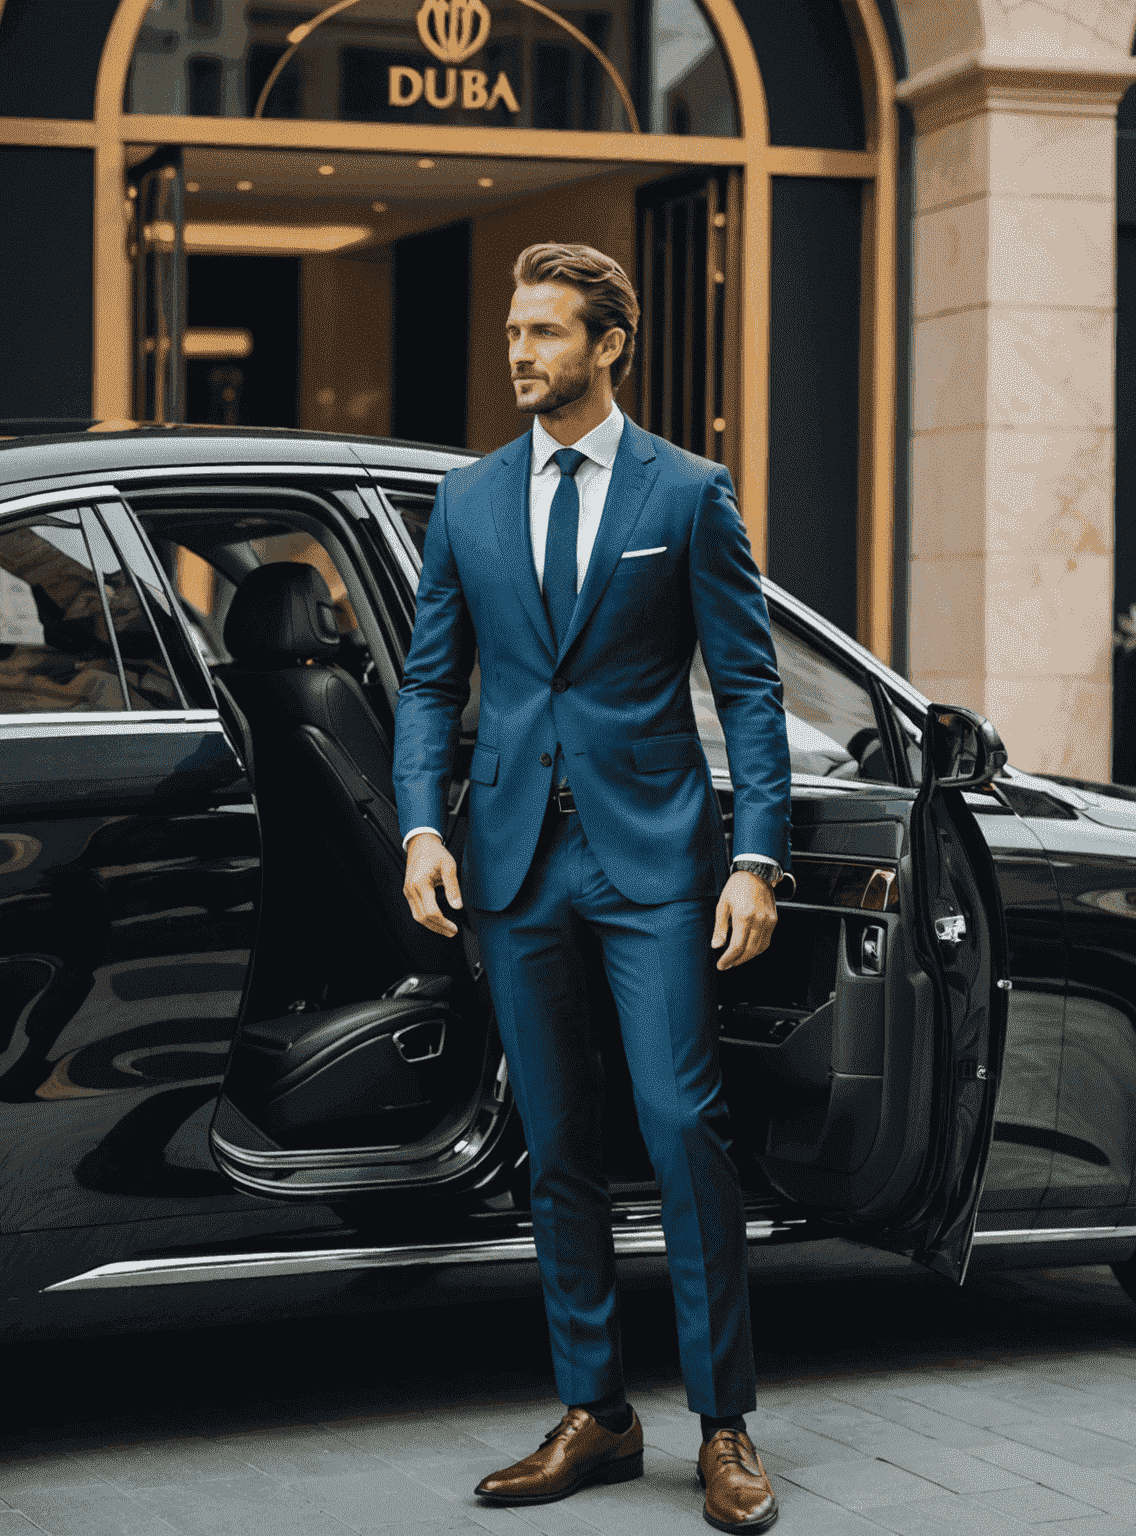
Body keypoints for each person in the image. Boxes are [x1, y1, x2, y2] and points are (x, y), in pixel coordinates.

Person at [393, 242, 791, 1533]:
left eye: (547, 333)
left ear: (609, 344)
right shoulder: (467, 502)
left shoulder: (686, 493)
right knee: (556, 1142)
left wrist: (754, 854)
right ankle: (595, 1414)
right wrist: (419, 829)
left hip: (654, 861)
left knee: (681, 1127)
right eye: (513, 331)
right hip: (512, 862)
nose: (520, 352)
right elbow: (426, 682)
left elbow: (748, 685)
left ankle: (722, 1426)